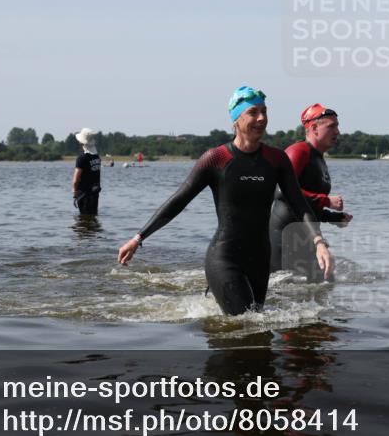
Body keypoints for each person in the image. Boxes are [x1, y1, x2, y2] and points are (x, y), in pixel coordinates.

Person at [118, 86, 334, 315]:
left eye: (264, 111)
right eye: (253, 112)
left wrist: (319, 242)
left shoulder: (276, 159)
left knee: (257, 328)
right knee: (246, 323)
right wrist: (138, 238)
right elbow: (179, 200)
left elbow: (298, 203)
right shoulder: (217, 159)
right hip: (225, 257)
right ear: (236, 119)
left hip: (260, 260)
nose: (262, 118)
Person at [270, 103, 352, 282]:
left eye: (337, 126)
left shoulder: (318, 158)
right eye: (332, 126)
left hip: (306, 239)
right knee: (282, 298)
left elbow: (306, 206)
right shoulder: (299, 151)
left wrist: (333, 217)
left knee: (324, 285)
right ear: (314, 128)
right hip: (284, 241)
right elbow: (282, 192)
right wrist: (326, 200)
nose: (338, 131)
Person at [72, 128, 102, 215]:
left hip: (84, 195)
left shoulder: (82, 158)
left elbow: (75, 180)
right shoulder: (97, 157)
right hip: (95, 193)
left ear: (81, 142)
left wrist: (75, 194)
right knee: (93, 217)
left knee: (84, 220)